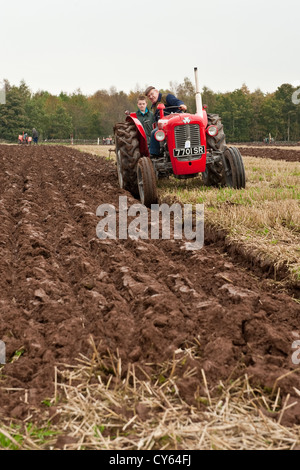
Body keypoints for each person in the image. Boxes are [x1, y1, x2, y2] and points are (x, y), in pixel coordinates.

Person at [145, 86, 187, 157]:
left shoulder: (166, 97)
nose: (151, 97)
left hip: (176, 123)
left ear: (157, 91)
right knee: (155, 132)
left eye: (152, 94)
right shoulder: (153, 106)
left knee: (154, 132)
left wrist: (181, 105)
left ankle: (154, 154)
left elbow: (177, 101)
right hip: (163, 126)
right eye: (149, 96)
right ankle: (156, 154)